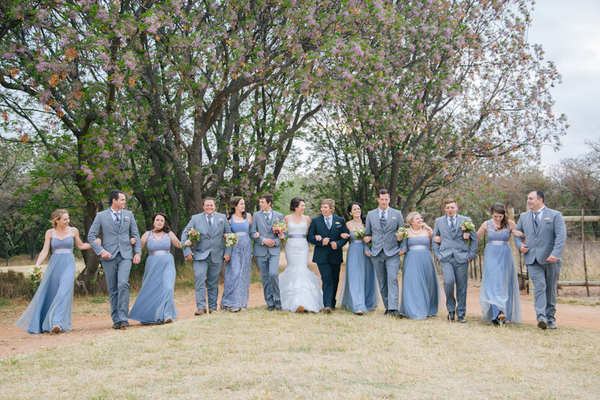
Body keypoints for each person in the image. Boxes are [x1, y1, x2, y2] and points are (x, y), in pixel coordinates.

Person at [15, 210, 93, 334]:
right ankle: (45, 321)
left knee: (63, 291)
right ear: (57, 220)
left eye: (68, 218)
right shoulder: (49, 233)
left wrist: (95, 244)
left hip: (68, 263)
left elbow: (81, 245)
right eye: (65, 219)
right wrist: (37, 264)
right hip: (55, 264)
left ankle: (57, 322)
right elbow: (45, 250)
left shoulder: (74, 231)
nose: (68, 221)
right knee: (51, 291)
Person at [88, 190, 142, 330]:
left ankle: (124, 318)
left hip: (126, 255)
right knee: (112, 289)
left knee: (123, 284)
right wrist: (101, 251)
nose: (125, 202)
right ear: (114, 201)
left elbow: (135, 233)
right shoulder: (101, 216)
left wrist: (138, 252)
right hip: (108, 255)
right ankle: (116, 319)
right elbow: (91, 236)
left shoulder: (129, 215)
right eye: (122, 200)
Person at [514, 191, 566, 330]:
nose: (528, 201)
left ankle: (550, 319)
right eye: (527, 199)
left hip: (551, 260)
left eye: (530, 198)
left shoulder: (555, 215)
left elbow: (561, 237)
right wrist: (520, 245)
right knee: (539, 287)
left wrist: (555, 254)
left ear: (540, 200)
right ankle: (541, 317)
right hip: (532, 259)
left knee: (550, 289)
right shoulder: (524, 217)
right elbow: (517, 234)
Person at [129, 213, 182, 324]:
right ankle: (149, 316)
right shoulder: (147, 234)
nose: (159, 222)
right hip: (152, 262)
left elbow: (179, 244)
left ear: (164, 223)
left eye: (162, 221)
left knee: (168, 287)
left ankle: (166, 315)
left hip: (167, 262)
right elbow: (139, 248)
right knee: (151, 288)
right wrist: (132, 244)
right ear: (153, 222)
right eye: (157, 220)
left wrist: (189, 240)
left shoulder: (169, 234)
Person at [182, 197, 231, 315]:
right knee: (199, 279)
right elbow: (185, 234)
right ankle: (201, 308)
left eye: (211, 205)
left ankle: (213, 308)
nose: (209, 207)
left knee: (213, 282)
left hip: (217, 255)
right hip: (200, 255)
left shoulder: (222, 217)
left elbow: (229, 235)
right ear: (203, 207)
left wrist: (228, 252)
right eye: (207, 205)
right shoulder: (195, 218)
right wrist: (187, 250)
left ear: (215, 206)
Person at [475, 203, 522, 326]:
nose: (498, 219)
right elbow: (476, 237)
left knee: (502, 281)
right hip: (491, 254)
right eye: (495, 216)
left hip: (505, 254)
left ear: (504, 214)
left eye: (500, 216)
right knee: (493, 280)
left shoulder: (510, 224)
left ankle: (501, 313)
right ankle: (498, 312)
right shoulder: (486, 224)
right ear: (492, 214)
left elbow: (519, 236)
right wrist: (466, 233)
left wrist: (520, 234)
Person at [432, 198, 478, 323]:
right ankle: (451, 310)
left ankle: (461, 313)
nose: (450, 210)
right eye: (448, 208)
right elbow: (434, 238)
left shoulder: (466, 220)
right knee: (448, 282)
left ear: (456, 208)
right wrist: (437, 254)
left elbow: (474, 239)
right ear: (445, 209)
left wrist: (470, 255)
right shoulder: (439, 221)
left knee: (462, 286)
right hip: (445, 257)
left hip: (462, 257)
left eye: (452, 207)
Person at [363, 189, 405, 318]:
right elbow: (367, 234)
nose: (384, 201)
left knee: (392, 279)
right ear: (378, 200)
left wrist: (402, 247)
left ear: (389, 200)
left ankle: (394, 308)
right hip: (376, 252)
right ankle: (387, 307)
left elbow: (402, 232)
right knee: (382, 281)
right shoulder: (371, 214)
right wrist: (367, 249)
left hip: (392, 252)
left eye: (386, 199)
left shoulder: (397, 214)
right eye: (382, 199)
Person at [279, 197, 324, 313]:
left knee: (301, 269)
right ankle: (293, 301)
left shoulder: (307, 219)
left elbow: (311, 233)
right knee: (292, 269)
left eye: (304, 205)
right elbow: (283, 232)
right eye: (302, 205)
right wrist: (280, 235)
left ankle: (304, 301)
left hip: (303, 246)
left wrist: (317, 236)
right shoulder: (287, 218)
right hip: (291, 245)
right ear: (295, 207)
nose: (304, 208)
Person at [307, 198, 349, 313]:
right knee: (327, 278)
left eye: (325, 207)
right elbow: (309, 237)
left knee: (335, 279)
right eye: (321, 207)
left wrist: (338, 244)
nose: (322, 209)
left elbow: (345, 236)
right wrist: (320, 241)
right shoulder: (315, 221)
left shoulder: (340, 221)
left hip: (335, 255)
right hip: (322, 255)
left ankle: (332, 302)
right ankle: (328, 305)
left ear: (331, 208)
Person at [398, 212, 442, 320]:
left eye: (420, 218)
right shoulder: (406, 232)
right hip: (411, 259)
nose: (420, 220)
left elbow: (436, 243)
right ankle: (415, 310)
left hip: (426, 259)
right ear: (411, 222)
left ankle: (428, 308)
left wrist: (439, 241)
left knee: (427, 282)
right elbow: (401, 244)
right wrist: (399, 236)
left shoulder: (428, 231)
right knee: (413, 283)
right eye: (417, 218)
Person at [339, 202, 379, 315]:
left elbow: (376, 235)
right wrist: (342, 235)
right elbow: (343, 236)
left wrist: (370, 237)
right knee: (354, 276)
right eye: (354, 209)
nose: (357, 211)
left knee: (367, 275)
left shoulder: (367, 223)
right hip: (354, 250)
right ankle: (358, 305)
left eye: (359, 209)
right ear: (350, 212)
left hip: (366, 250)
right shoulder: (347, 224)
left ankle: (367, 301)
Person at [249, 193, 285, 311]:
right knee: (265, 277)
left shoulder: (279, 216)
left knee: (273, 274)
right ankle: (270, 303)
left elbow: (284, 234)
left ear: (269, 203)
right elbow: (252, 232)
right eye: (259, 202)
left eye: (262, 202)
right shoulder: (256, 215)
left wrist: (275, 241)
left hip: (274, 250)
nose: (260, 204)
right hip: (261, 250)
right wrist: (263, 240)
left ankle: (278, 300)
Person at [221, 197, 253, 312]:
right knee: (234, 274)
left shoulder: (248, 217)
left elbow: (252, 231)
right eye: (241, 204)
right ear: (235, 206)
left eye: (244, 204)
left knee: (244, 274)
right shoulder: (229, 219)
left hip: (246, 246)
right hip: (234, 247)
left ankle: (241, 303)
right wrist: (227, 237)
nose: (243, 206)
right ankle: (230, 303)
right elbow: (224, 232)